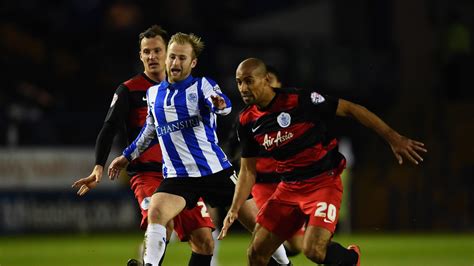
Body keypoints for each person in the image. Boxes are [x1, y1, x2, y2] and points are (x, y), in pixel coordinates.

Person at [219, 58, 427, 265]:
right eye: (239, 82)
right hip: (288, 188)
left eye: (249, 81)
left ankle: (351, 259)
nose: (243, 88)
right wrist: (235, 208)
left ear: (265, 80)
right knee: (256, 254)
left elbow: (351, 109)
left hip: (322, 183)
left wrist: (394, 138)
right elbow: (247, 171)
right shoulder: (247, 120)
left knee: (314, 251)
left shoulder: (299, 100)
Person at [108, 33, 291, 266]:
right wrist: (126, 156)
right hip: (179, 177)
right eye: (172, 57)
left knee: (259, 225)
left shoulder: (202, 86)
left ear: (192, 62)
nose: (175, 63)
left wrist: (221, 105)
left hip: (214, 171)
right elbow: (149, 131)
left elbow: (222, 103)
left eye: (182, 58)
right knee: (156, 211)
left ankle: (286, 265)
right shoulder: (154, 94)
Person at [71, 25, 215, 266]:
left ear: (168, 52)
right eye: (146, 51)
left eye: (157, 50)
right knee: (163, 222)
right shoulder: (129, 90)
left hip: (184, 175)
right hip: (148, 174)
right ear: (140, 56)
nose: (152, 56)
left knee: (204, 242)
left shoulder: (188, 90)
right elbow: (109, 128)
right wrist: (98, 167)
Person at [250, 65, 303, 257]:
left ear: (279, 84)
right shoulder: (250, 116)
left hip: (288, 184)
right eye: (263, 80)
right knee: (262, 240)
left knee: (297, 245)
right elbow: (236, 149)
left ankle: (274, 257)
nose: (267, 83)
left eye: (270, 79)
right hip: (262, 185)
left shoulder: (293, 111)